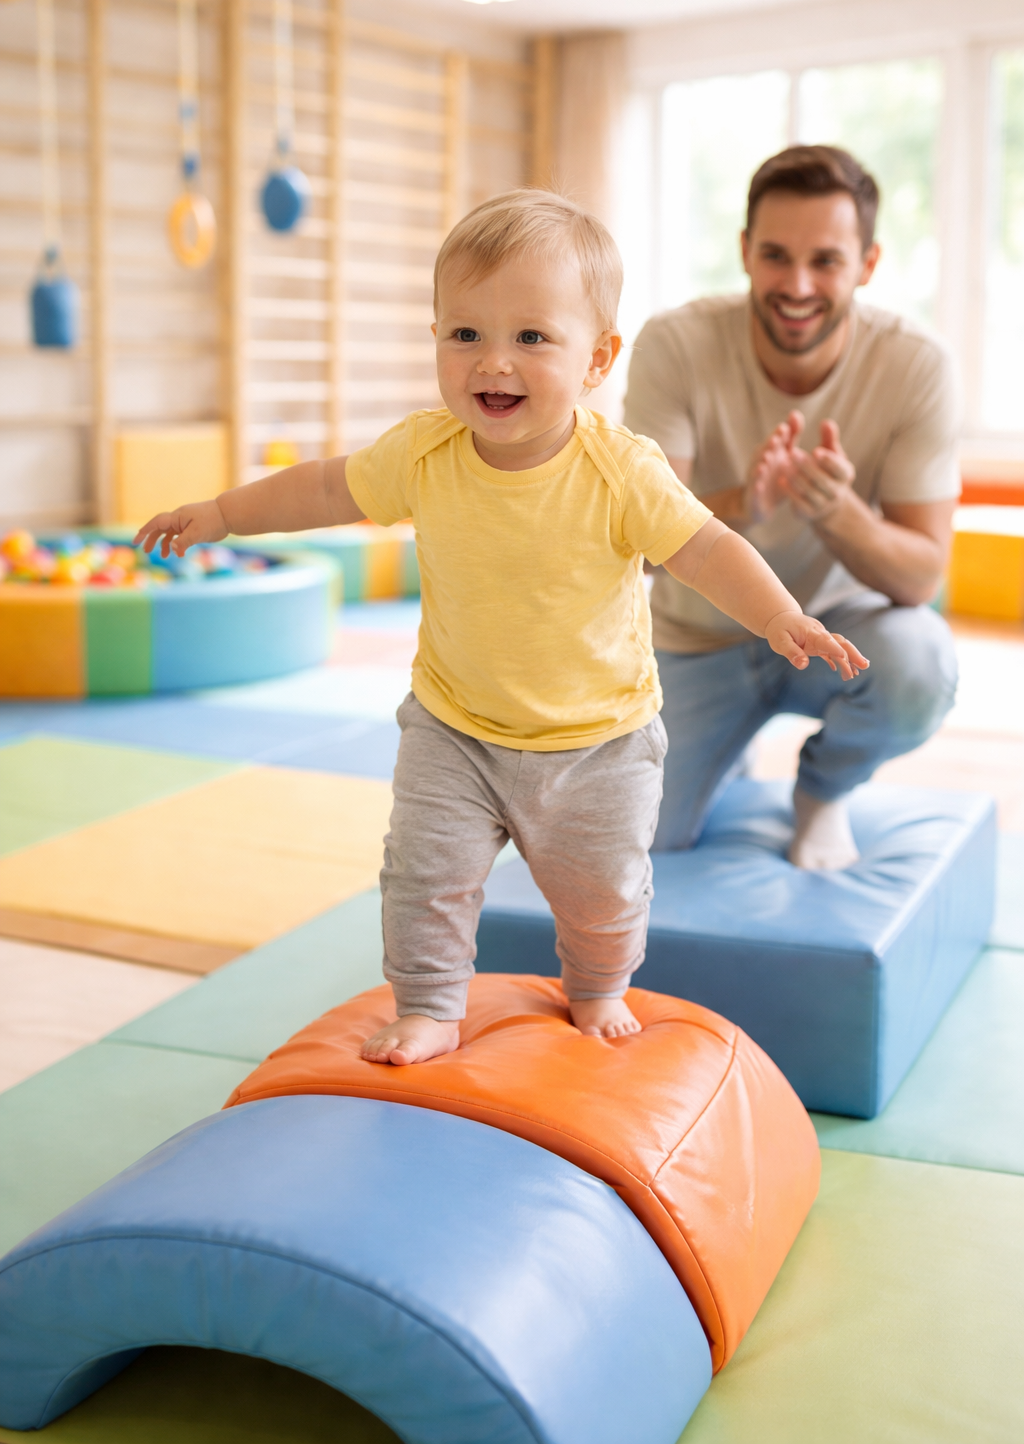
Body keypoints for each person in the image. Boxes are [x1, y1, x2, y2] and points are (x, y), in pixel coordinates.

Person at [135, 189, 866, 1067]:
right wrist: (221, 512)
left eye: (531, 337)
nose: (494, 363)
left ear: (596, 359)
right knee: (425, 876)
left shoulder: (619, 471)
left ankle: (597, 988)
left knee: (603, 897)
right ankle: (432, 1003)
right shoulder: (423, 454)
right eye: (465, 334)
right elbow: (324, 488)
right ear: (437, 337)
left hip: (600, 741)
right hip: (455, 729)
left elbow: (705, 550)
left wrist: (780, 615)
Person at [624, 145, 960, 872]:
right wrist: (745, 502)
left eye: (827, 261)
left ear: (867, 264)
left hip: (836, 638)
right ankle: (727, 744)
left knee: (920, 664)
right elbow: (638, 546)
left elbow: (921, 580)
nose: (798, 284)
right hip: (696, 639)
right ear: (744, 251)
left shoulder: (916, 365)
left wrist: (837, 513)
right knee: (633, 847)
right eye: (775, 255)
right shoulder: (675, 344)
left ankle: (824, 789)